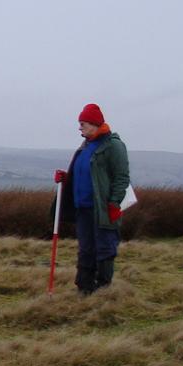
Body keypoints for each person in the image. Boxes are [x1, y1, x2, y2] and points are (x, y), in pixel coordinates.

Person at [53, 103, 130, 294]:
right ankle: (84, 288)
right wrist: (66, 178)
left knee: (104, 247)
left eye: (83, 123)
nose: (80, 128)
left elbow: (122, 178)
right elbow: (83, 172)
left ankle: (103, 290)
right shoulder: (85, 146)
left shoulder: (113, 146)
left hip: (102, 207)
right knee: (86, 248)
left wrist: (114, 203)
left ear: (95, 124)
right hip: (83, 208)